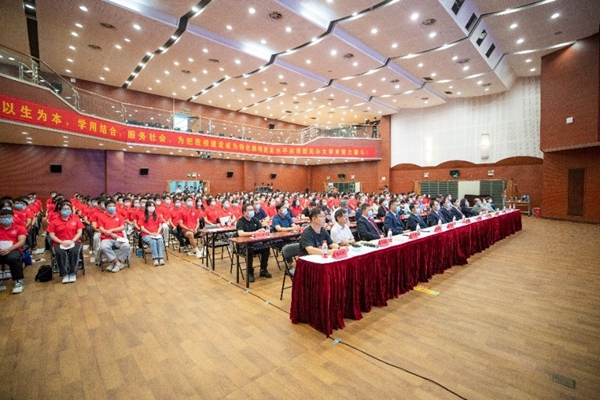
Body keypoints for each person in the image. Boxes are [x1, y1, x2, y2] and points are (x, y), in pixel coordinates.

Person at [46, 201, 84, 283]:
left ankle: (73, 273)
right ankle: (64, 274)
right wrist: (61, 242)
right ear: (59, 210)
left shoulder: (76, 220)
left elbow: (79, 232)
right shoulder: (54, 222)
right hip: (59, 243)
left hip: (74, 241)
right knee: (61, 253)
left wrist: (72, 241)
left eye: (68, 209)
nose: (66, 210)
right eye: (64, 209)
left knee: (74, 251)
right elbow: (51, 235)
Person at [235, 203, 271, 283]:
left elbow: (261, 229)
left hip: (255, 243)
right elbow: (241, 233)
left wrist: (263, 230)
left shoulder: (255, 220)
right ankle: (250, 272)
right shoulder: (240, 222)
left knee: (266, 247)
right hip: (243, 245)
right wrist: (255, 232)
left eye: (252, 210)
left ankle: (263, 269)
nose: (252, 211)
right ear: (244, 212)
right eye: (250, 210)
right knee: (249, 250)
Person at [98, 199, 130, 273]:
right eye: (110, 206)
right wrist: (111, 234)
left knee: (126, 246)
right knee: (104, 247)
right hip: (106, 238)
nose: (112, 207)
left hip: (118, 238)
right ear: (106, 208)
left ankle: (114, 263)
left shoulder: (119, 216)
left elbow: (122, 227)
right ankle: (117, 263)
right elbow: (101, 228)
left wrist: (111, 230)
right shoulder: (101, 217)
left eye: (113, 206)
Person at [0, 209, 27, 294]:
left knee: (13, 258)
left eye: (8, 217)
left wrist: (8, 249)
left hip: (13, 249)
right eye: (3, 217)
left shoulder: (19, 228)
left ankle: (18, 281)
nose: (5, 219)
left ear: (12, 217)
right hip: (0, 249)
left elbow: (21, 242)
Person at [139, 200, 165, 266]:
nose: (152, 207)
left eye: (153, 206)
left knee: (160, 240)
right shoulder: (143, 216)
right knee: (153, 241)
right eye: (150, 206)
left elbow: (160, 225)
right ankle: (155, 259)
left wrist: (157, 232)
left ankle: (161, 258)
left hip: (157, 233)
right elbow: (142, 228)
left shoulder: (157, 215)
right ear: (146, 207)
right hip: (146, 234)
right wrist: (150, 233)